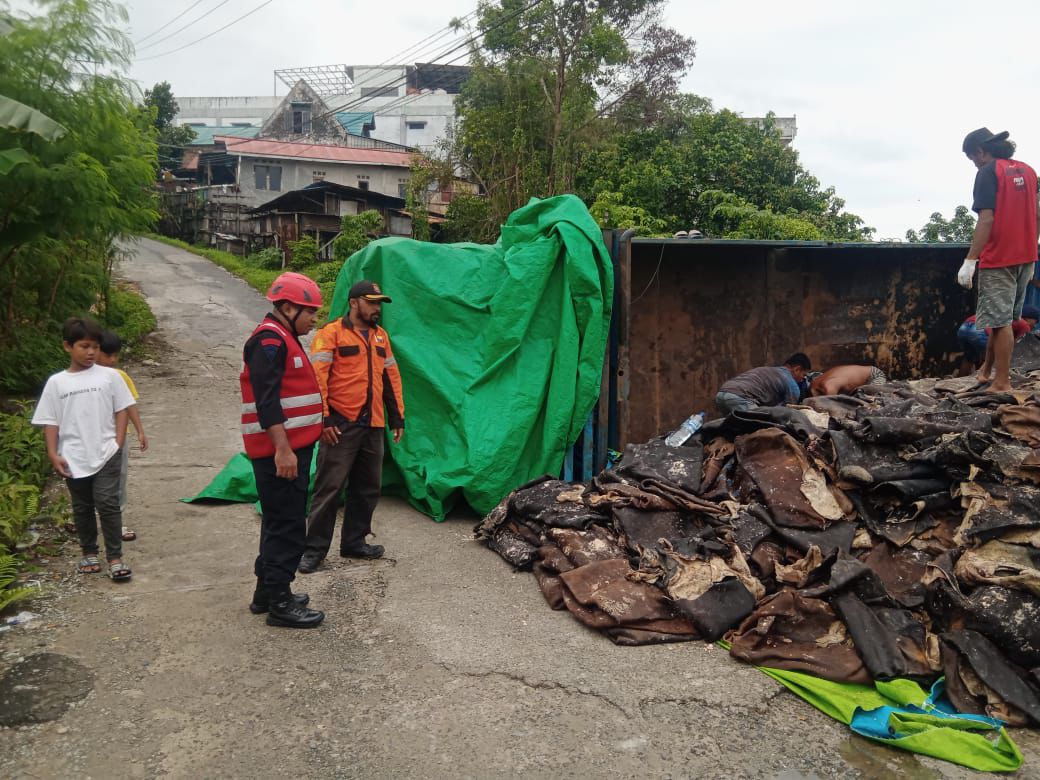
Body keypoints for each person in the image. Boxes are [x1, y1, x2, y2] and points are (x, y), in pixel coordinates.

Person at [298, 280, 405, 574]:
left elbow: (390, 379)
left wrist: (397, 418)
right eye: (372, 302)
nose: (377, 308)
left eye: (379, 303)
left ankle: (354, 542)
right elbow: (316, 379)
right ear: (355, 302)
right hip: (340, 425)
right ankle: (313, 549)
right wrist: (325, 418)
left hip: (373, 424)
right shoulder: (330, 334)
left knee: (368, 488)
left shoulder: (381, 337)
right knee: (328, 488)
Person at [240, 271, 326, 628]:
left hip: (292, 449)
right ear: (288, 307)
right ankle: (281, 602)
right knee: (288, 525)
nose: (313, 319)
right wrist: (283, 450)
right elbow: (267, 400)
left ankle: (266, 592)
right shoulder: (269, 342)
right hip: (282, 453)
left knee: (278, 521)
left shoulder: (283, 337)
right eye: (310, 312)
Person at [31, 317, 136, 581]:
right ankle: (88, 551)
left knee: (108, 502)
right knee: (82, 506)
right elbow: (51, 422)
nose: (91, 352)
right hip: (73, 455)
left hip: (106, 451)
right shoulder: (57, 383)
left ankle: (115, 557)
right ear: (68, 346)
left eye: (95, 347)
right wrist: (53, 453)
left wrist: (118, 441)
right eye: (84, 346)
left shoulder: (110, 376)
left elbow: (122, 408)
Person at [958, 128, 1039, 392]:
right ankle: (986, 372)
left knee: (1000, 322)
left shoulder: (988, 171)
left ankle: (1002, 382)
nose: (975, 163)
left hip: (1000, 258)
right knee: (999, 319)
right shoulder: (1028, 171)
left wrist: (970, 259)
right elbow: (1037, 212)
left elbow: (987, 218)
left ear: (980, 152)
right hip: (1027, 258)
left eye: (972, 158)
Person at [97, 330, 148, 542]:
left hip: (119, 437)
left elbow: (129, 404)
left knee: (118, 479)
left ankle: (116, 523)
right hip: (90, 437)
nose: (113, 360)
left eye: (115, 355)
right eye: (108, 355)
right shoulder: (79, 378)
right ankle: (87, 519)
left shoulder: (119, 377)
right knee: (88, 479)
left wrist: (140, 430)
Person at [715, 353, 812, 416]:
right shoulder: (792, 384)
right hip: (740, 398)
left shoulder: (770, 371)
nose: (803, 379)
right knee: (761, 427)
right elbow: (788, 412)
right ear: (797, 369)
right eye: (803, 375)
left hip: (721, 394)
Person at [957, 305, 1040, 376]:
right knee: (990, 359)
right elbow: (1018, 346)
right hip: (980, 330)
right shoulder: (1024, 324)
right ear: (1030, 318)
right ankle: (981, 380)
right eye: (1036, 321)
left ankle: (958, 381)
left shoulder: (1006, 315)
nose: (1035, 324)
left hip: (964, 327)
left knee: (969, 358)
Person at [810, 365, 888, 397]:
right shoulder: (814, 383)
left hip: (874, 375)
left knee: (872, 403)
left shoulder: (829, 386)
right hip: (864, 372)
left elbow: (831, 403)